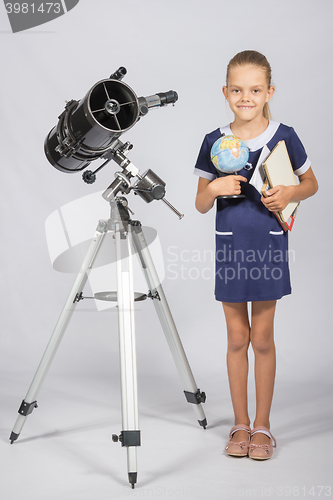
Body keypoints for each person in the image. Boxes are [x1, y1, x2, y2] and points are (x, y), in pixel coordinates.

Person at [194, 50, 318, 460]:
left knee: (262, 338)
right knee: (236, 338)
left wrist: (290, 192)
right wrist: (213, 189)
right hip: (231, 249)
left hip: (267, 247)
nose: (245, 97)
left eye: (254, 90)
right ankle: (239, 424)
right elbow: (199, 203)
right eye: (237, 90)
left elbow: (310, 183)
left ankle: (263, 427)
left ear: (269, 92)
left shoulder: (285, 135)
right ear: (225, 92)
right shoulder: (215, 140)